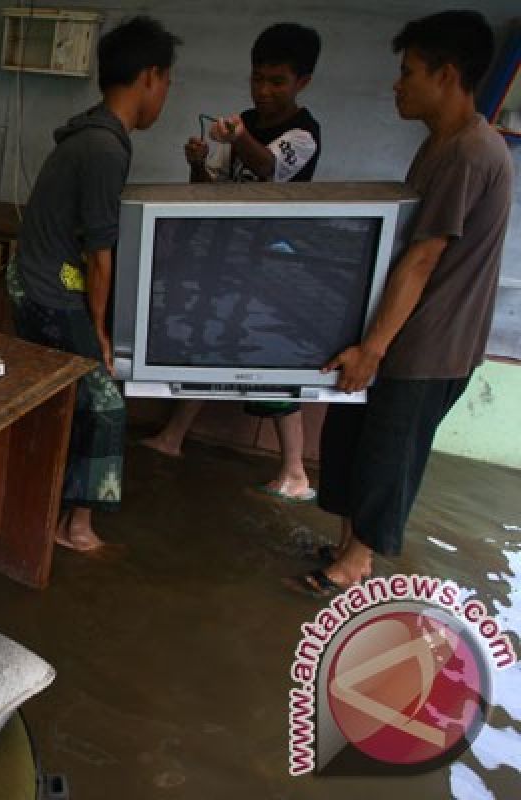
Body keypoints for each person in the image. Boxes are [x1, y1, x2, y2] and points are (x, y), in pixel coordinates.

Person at [289, 10, 512, 596]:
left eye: (408, 72)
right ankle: (346, 545)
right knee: (348, 442)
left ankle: (356, 564)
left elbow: (422, 258)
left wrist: (373, 349)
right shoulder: (440, 146)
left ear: (446, 74)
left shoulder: (470, 152)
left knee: (388, 452)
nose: (398, 84)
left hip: (431, 342)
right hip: (402, 332)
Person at [8, 16, 181, 551]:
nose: (166, 94)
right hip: (48, 288)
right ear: (150, 77)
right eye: (168, 82)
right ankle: (75, 526)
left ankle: (38, 505)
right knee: (106, 405)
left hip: (32, 280)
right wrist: (100, 335)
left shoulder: (89, 131)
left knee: (62, 401)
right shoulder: (105, 148)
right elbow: (99, 258)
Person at [141, 23, 323, 504]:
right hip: (227, 255)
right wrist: (198, 161)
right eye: (257, 79)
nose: (263, 91)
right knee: (209, 340)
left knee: (272, 358)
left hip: (272, 262)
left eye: (276, 81)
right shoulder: (241, 122)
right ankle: (173, 436)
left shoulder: (304, 134)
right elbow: (210, 191)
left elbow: (268, 168)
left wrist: (238, 137)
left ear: (302, 81)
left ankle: (295, 471)